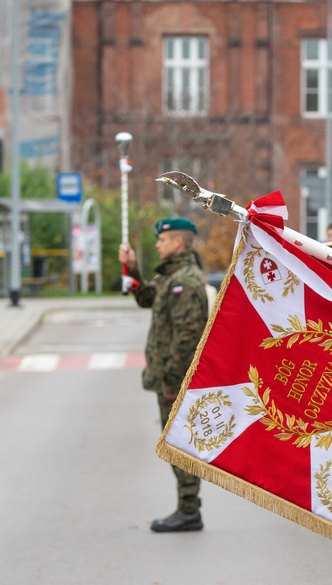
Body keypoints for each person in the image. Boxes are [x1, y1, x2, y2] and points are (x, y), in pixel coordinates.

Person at [118, 217, 209, 533]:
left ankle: (188, 510)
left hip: (176, 379)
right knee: (175, 441)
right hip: (170, 377)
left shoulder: (187, 281)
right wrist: (132, 267)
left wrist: (173, 381)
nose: (158, 244)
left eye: (162, 239)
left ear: (178, 243)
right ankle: (187, 507)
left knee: (179, 442)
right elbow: (146, 297)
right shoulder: (172, 277)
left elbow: (187, 336)